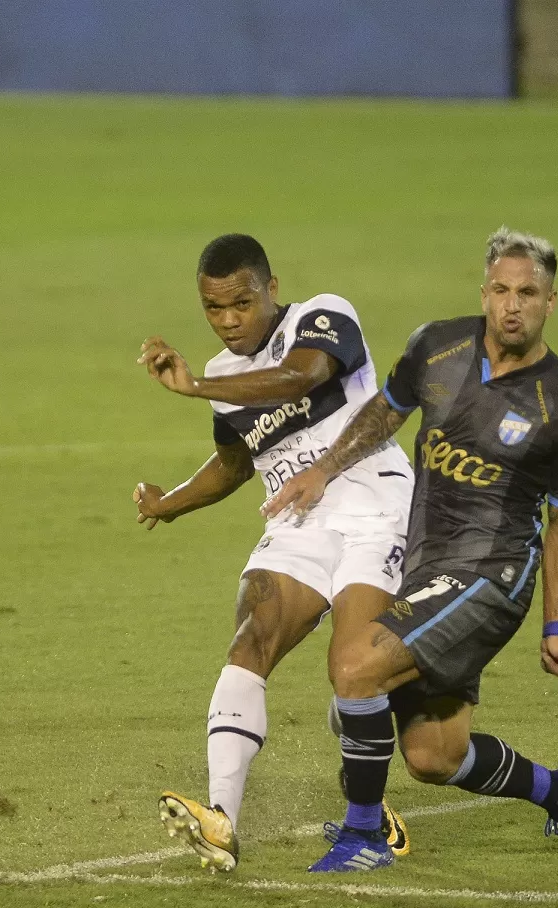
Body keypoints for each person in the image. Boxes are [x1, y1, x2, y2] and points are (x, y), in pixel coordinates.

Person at [265, 227, 558, 873]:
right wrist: (325, 468)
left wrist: (557, 624)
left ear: (551, 302)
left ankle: (364, 833)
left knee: (357, 669)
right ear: (484, 292)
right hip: (425, 566)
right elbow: (385, 411)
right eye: (501, 289)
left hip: (491, 576)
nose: (512, 305)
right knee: (433, 757)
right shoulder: (435, 347)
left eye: (528, 293)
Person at [133, 233, 411, 870]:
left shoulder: (322, 317)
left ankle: (368, 811)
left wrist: (195, 385)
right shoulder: (229, 379)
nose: (229, 321)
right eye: (213, 309)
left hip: (375, 507)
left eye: (241, 303)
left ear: (271, 289)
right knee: (250, 639)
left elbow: (301, 376)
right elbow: (234, 463)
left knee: (356, 672)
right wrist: (166, 503)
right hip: (297, 521)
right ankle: (222, 819)